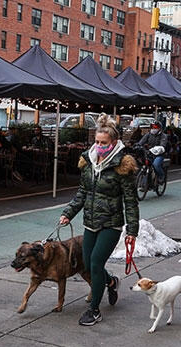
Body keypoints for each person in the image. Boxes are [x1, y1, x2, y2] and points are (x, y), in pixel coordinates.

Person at [59, 113, 139, 326]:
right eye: (96, 141)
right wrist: (68, 213)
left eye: (104, 142)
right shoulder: (88, 161)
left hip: (111, 223)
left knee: (95, 262)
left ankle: (94, 310)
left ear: (113, 142)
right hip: (90, 222)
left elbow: (131, 201)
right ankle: (111, 282)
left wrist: (132, 231)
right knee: (88, 264)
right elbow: (82, 193)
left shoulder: (123, 165)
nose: (99, 145)